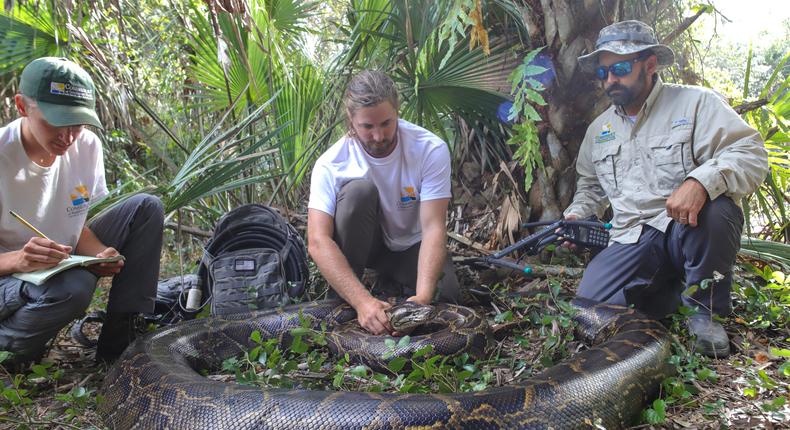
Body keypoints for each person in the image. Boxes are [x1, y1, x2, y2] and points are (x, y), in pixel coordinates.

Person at [565, 21, 768, 357]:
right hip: (630, 236)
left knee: (719, 209)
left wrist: (700, 182)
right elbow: (590, 186)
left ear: (649, 65)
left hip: (685, 227)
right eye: (603, 73)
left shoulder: (696, 104)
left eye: (620, 69)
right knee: (585, 309)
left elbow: (750, 152)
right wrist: (577, 213)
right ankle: (670, 295)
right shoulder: (599, 129)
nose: (610, 80)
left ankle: (705, 313)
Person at [0, 57, 164, 367]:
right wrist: (18, 259)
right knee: (73, 287)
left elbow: (75, 224)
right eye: (55, 121)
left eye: (77, 122)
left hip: (55, 263)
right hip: (9, 280)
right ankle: (10, 350)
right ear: (22, 106)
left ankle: (120, 344)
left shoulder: (86, 146)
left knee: (146, 207)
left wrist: (101, 253)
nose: (67, 136)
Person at [307, 70, 459, 335]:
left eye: (386, 123)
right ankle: (343, 301)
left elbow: (434, 227)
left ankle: (391, 284)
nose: (378, 136)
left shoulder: (429, 149)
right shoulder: (331, 164)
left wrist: (421, 299)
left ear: (397, 110)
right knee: (358, 194)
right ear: (351, 120)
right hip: (366, 249)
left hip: (411, 245)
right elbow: (318, 241)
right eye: (367, 127)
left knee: (448, 296)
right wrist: (361, 302)